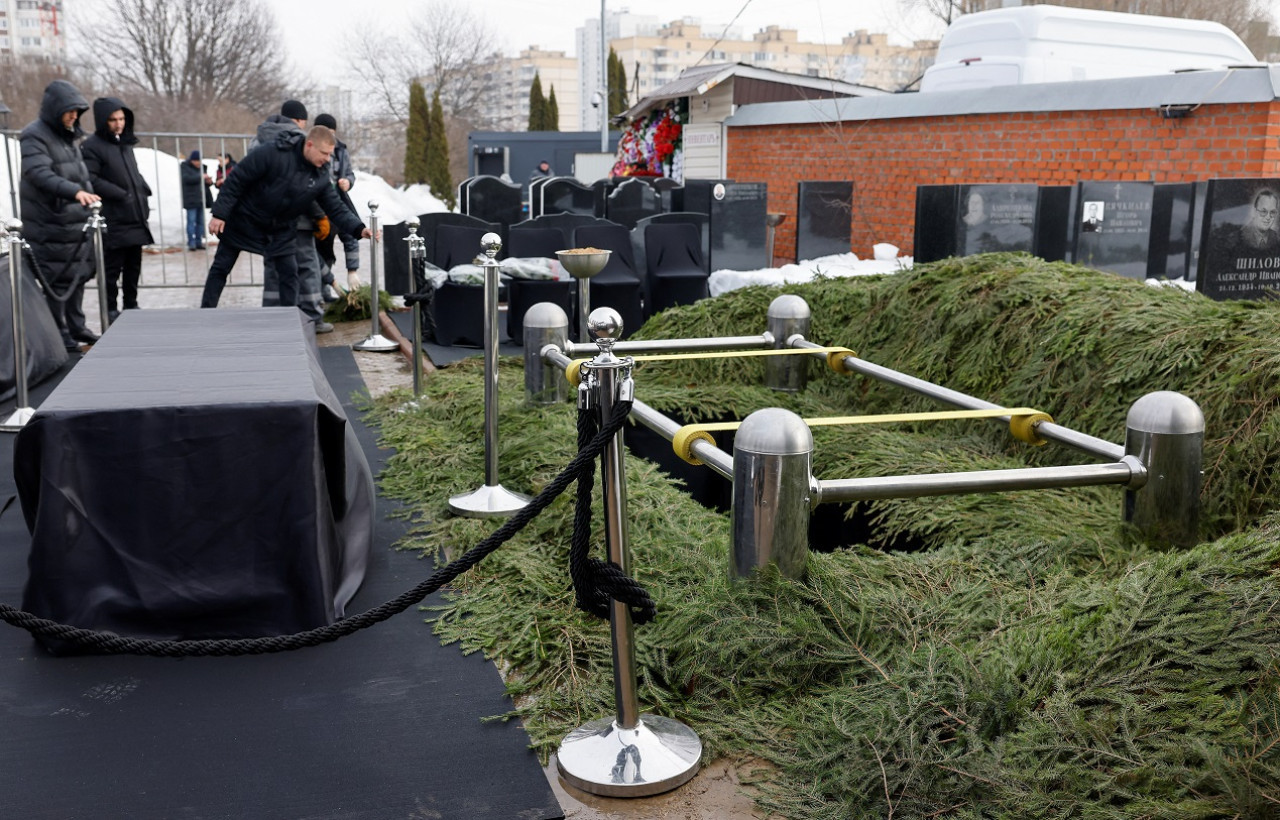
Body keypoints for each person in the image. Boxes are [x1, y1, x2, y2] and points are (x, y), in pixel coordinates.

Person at [200, 124, 372, 313]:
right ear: (309, 145)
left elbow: (335, 208)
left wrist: (358, 228)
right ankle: (207, 313)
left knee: (290, 275)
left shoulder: (320, 174)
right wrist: (219, 215)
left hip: (280, 228)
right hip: (244, 220)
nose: (327, 159)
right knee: (221, 267)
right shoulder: (272, 153)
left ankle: (289, 320)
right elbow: (237, 180)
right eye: (324, 153)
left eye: (330, 154)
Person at [19, 79, 102, 350]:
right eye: (70, 111)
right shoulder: (35, 135)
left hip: (72, 223)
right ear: (56, 109)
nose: (74, 116)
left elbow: (78, 172)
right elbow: (39, 173)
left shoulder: (69, 137)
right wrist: (74, 192)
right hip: (50, 222)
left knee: (76, 277)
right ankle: (60, 331)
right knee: (56, 279)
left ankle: (76, 326)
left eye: (77, 112)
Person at [249, 100, 330, 330]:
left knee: (274, 266)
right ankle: (311, 317)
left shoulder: (257, 140)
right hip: (299, 217)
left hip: (267, 217)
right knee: (306, 265)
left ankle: (275, 317)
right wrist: (319, 214)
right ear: (299, 121)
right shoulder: (298, 141)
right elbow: (304, 183)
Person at [81, 96, 153, 321]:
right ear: (103, 120)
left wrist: (142, 189)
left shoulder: (125, 143)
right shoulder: (92, 146)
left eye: (121, 118)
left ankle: (131, 304)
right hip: (114, 215)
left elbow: (132, 172)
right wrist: (122, 194)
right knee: (112, 268)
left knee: (133, 265)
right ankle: (110, 308)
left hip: (135, 213)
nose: (118, 123)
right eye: (113, 119)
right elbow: (91, 178)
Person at [312, 112, 362, 302]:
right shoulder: (310, 151)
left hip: (338, 201)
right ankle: (324, 290)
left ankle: (352, 274)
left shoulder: (341, 149)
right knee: (323, 248)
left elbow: (350, 174)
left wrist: (347, 182)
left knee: (351, 233)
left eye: (332, 133)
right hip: (317, 205)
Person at [180, 150, 213, 250]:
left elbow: (205, 184)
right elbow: (186, 179)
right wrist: (201, 177)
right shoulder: (185, 167)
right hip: (191, 199)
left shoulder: (203, 168)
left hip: (201, 199)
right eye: (196, 161)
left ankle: (199, 242)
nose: (198, 163)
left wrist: (208, 181)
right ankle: (191, 243)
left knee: (201, 222)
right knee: (191, 221)